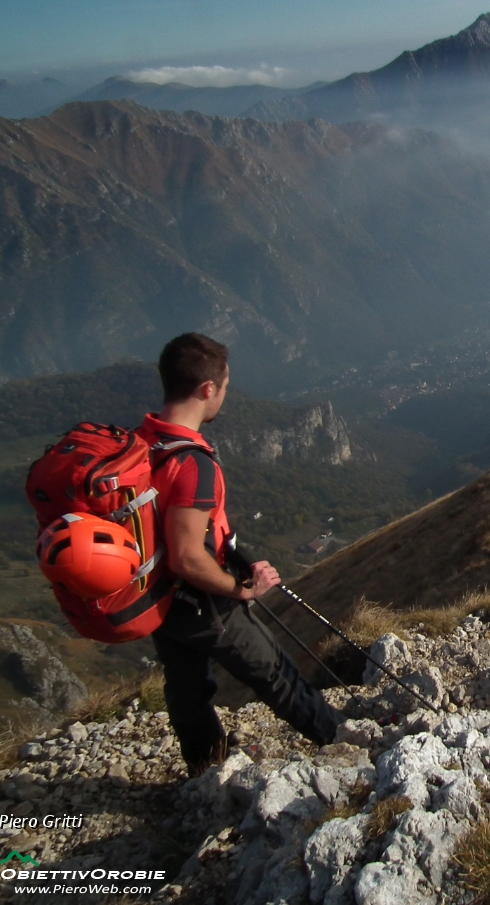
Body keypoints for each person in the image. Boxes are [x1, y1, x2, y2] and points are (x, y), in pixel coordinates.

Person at [139, 333, 344, 776]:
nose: (225, 397)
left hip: (158, 597)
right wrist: (243, 590)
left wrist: (238, 557)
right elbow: (188, 557)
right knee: (275, 674)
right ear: (207, 389)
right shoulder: (193, 464)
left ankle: (205, 764)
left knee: (186, 685)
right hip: (201, 600)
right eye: (225, 386)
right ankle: (344, 742)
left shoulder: (142, 442)